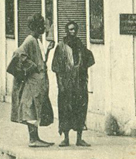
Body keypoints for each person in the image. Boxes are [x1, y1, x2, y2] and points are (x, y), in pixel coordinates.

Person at [8, 13, 56, 147]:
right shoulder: (30, 40)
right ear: (36, 26)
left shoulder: (36, 41)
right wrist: (32, 67)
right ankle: (33, 139)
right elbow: (19, 54)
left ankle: (36, 138)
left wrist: (48, 51)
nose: (44, 29)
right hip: (31, 82)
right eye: (41, 26)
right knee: (30, 109)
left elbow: (40, 59)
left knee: (35, 109)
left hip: (38, 82)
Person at [52, 20, 94, 147]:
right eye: (70, 29)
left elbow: (89, 59)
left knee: (80, 110)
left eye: (74, 29)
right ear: (66, 31)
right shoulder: (61, 46)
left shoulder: (80, 45)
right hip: (66, 85)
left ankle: (79, 138)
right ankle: (65, 138)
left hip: (79, 85)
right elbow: (56, 67)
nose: (73, 31)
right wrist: (61, 83)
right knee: (65, 110)